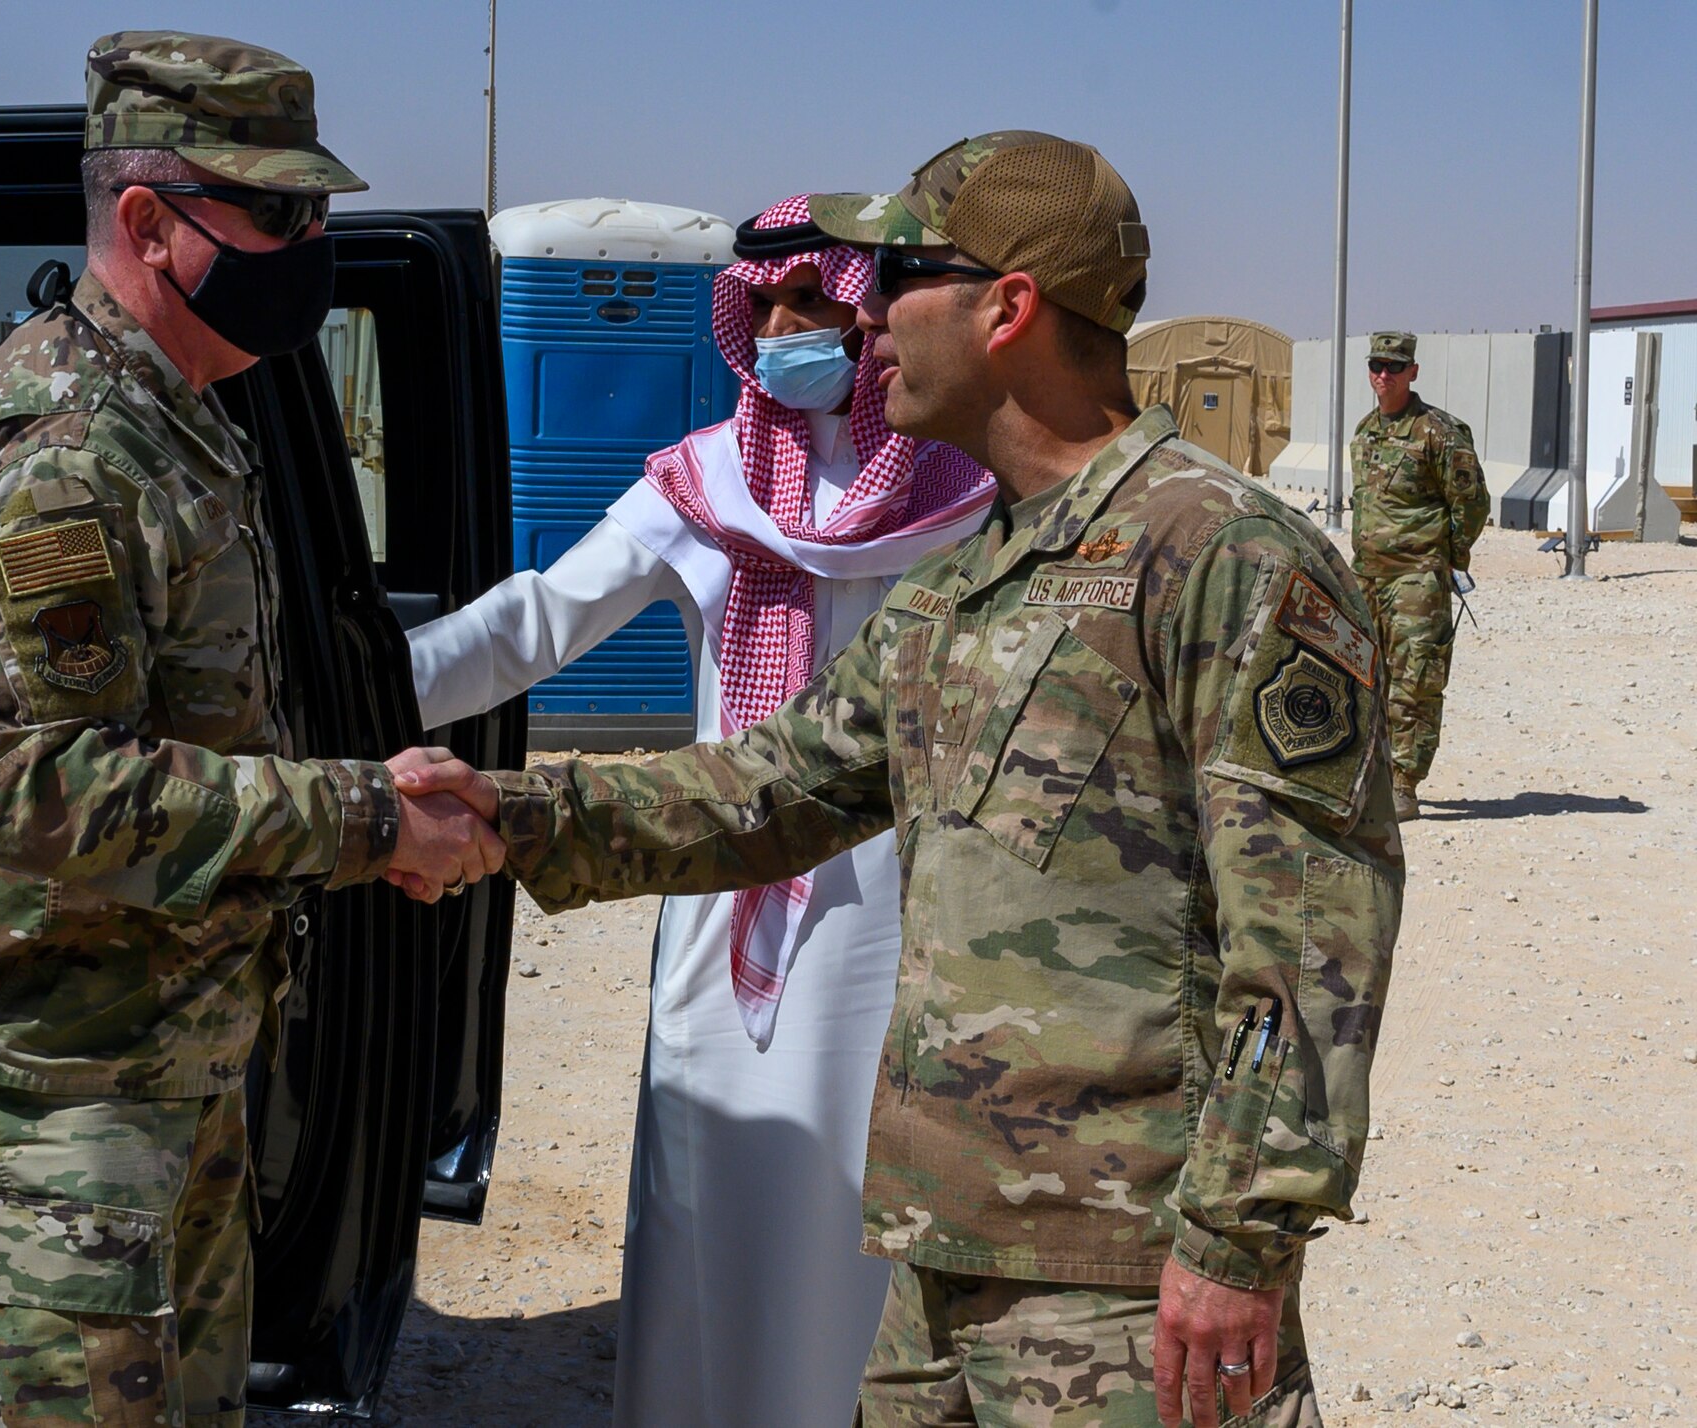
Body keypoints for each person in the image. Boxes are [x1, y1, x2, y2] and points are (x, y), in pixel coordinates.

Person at [400, 132, 1404, 1428]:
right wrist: (508, 815)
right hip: (938, 1269)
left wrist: (1237, 1248)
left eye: (899, 278)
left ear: (1010, 307)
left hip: (1117, 1274)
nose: (861, 318)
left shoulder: (1229, 562)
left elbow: (1312, 952)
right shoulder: (962, 588)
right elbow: (767, 793)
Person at [0, 32, 501, 1428]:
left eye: (316, 211)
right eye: (277, 213)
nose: (309, 242)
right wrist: (366, 817)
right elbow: (39, 791)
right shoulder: (69, 455)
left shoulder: (181, 417)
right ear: (147, 219)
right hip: (59, 1094)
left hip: (164, 1059)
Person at [406, 196, 993, 1428]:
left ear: (868, 312)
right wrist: (338, 686)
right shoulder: (704, 479)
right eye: (765, 307)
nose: (786, 328)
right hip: (727, 883)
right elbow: (532, 624)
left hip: (894, 901)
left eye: (814, 306)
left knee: (858, 1201)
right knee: (708, 1188)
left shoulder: (965, 489)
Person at [1348, 331, 1490, 820]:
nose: (1383, 375)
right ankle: (1369, 773)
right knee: (1364, 677)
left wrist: (1447, 559)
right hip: (1367, 578)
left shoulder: (1439, 432)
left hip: (1416, 579)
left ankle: (1405, 783)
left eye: (1393, 366)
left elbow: (1471, 504)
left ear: (1413, 371)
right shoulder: (1365, 430)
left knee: (1414, 681)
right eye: (1376, 365)